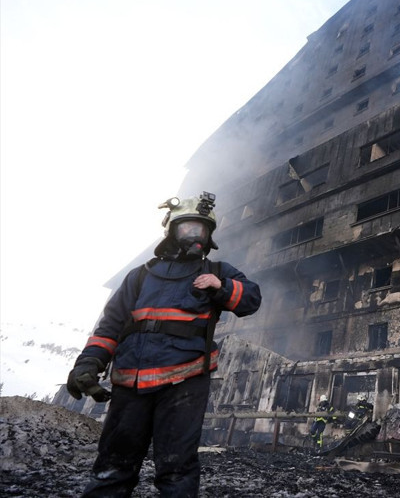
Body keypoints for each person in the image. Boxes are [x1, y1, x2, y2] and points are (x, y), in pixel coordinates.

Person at [66, 192, 261, 497]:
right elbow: (111, 324)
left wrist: (221, 288)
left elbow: (251, 299)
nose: (195, 234)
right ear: (171, 230)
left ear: (209, 235)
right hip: (130, 382)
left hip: (184, 382)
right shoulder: (140, 276)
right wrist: (89, 362)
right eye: (188, 228)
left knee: (176, 470)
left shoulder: (217, 271)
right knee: (112, 469)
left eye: (202, 229)